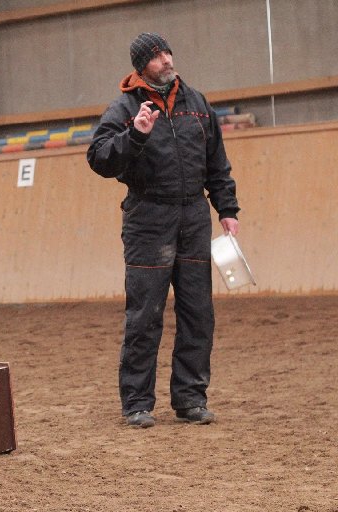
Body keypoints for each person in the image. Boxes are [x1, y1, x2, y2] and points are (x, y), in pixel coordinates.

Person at [87, 33, 240, 428]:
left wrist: (227, 208)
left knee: (198, 313)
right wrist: (135, 133)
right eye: (156, 56)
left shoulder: (198, 104)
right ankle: (137, 403)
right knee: (145, 316)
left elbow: (217, 163)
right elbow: (99, 159)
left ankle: (190, 398)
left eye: (167, 52)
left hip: (193, 218)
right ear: (141, 67)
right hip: (148, 220)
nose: (167, 60)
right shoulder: (123, 109)